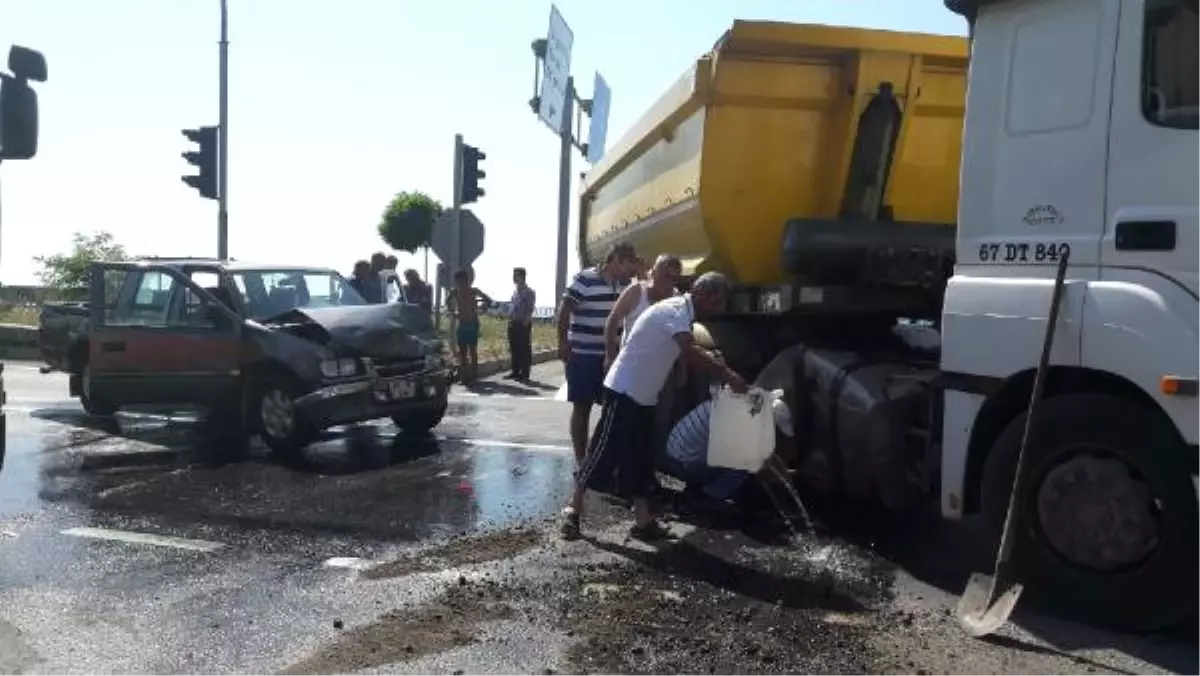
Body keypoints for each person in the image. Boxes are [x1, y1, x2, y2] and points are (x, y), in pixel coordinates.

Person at [561, 272, 749, 541]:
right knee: (602, 452)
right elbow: (688, 350)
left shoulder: (682, 313)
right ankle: (572, 511)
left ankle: (643, 521)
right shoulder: (675, 310)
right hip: (624, 391)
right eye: (718, 302)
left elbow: (685, 348)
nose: (719, 309)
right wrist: (728, 375)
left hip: (644, 396)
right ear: (702, 295)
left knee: (640, 459)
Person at [555, 242, 639, 465]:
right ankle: (581, 461)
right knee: (582, 407)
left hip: (613, 357)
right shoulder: (585, 279)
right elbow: (564, 311)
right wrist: (562, 343)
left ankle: (601, 461)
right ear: (615, 260)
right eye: (628, 264)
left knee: (612, 411)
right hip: (582, 355)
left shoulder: (627, 285)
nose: (631, 269)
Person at [664, 389, 798, 511]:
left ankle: (697, 486)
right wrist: (784, 483)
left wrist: (785, 475)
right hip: (683, 463)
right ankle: (708, 497)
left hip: (677, 452)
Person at [603, 254, 682, 369]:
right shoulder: (636, 292)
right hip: (630, 365)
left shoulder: (677, 299)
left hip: (662, 368)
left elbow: (679, 336)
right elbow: (613, 321)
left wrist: (681, 367)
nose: (669, 282)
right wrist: (610, 355)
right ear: (653, 273)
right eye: (665, 276)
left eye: (674, 278)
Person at [447, 269, 493, 384]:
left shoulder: (474, 291)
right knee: (462, 351)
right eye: (456, 281)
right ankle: (464, 377)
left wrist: (482, 308)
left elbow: (488, 300)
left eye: (459, 281)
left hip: (472, 323)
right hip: (462, 323)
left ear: (465, 280)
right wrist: (454, 312)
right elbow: (447, 302)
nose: (458, 284)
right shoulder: (455, 291)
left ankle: (473, 376)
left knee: (472, 350)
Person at [507, 267, 537, 380]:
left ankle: (525, 373)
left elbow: (530, 308)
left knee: (524, 348)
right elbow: (512, 307)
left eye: (516, 275)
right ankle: (515, 371)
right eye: (513, 275)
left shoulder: (529, 292)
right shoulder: (515, 292)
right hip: (513, 322)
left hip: (522, 323)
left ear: (522, 277)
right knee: (514, 347)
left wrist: (526, 320)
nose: (513, 278)